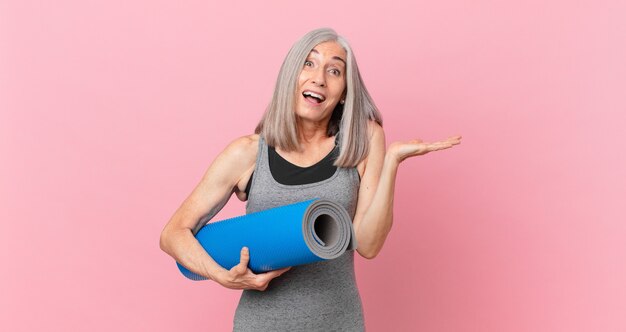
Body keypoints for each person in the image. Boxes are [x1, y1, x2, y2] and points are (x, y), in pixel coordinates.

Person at [160, 27, 461, 331]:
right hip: (260, 324)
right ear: (291, 77)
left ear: (344, 93)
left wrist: (393, 161)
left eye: (334, 70)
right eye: (309, 63)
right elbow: (172, 234)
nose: (319, 78)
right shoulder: (248, 153)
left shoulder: (363, 142)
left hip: (339, 323)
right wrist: (221, 275)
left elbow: (368, 245)